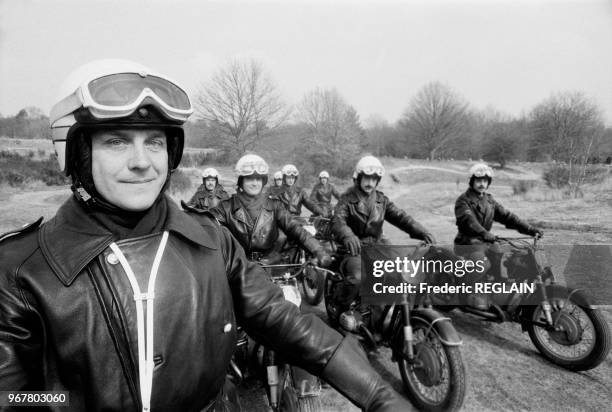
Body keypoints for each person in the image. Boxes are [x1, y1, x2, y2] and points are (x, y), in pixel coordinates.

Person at [0, 59, 413, 412]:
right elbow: (14, 398)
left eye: (155, 142)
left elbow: (285, 320)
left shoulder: (210, 240)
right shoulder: (20, 271)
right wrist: (59, 399)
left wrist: (380, 397)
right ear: (76, 153)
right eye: (116, 142)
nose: (142, 162)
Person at [330, 155, 436, 312]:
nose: (370, 182)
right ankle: (338, 305)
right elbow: (338, 221)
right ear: (358, 178)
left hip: (378, 248)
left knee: (402, 275)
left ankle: (386, 317)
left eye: (374, 179)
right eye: (366, 178)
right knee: (358, 278)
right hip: (353, 249)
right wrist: (347, 235)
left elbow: (402, 218)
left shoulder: (382, 200)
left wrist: (422, 232)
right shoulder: (346, 199)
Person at [208, 154, 329, 265]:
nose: (255, 183)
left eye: (258, 179)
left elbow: (295, 229)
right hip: (238, 267)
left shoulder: (275, 205)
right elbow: (209, 231)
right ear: (241, 181)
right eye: (249, 178)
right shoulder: (224, 208)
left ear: (263, 181)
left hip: (270, 265)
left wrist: (318, 250)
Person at [454, 163, 543, 310]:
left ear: (488, 182)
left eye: (485, 181)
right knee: (482, 263)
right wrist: (484, 233)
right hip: (467, 244)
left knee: (506, 258)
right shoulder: (463, 200)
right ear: (472, 181)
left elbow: (508, 217)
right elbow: (469, 221)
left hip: (486, 241)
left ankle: (498, 295)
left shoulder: (490, 200)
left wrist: (530, 229)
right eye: (478, 180)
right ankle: (465, 294)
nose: (482, 184)